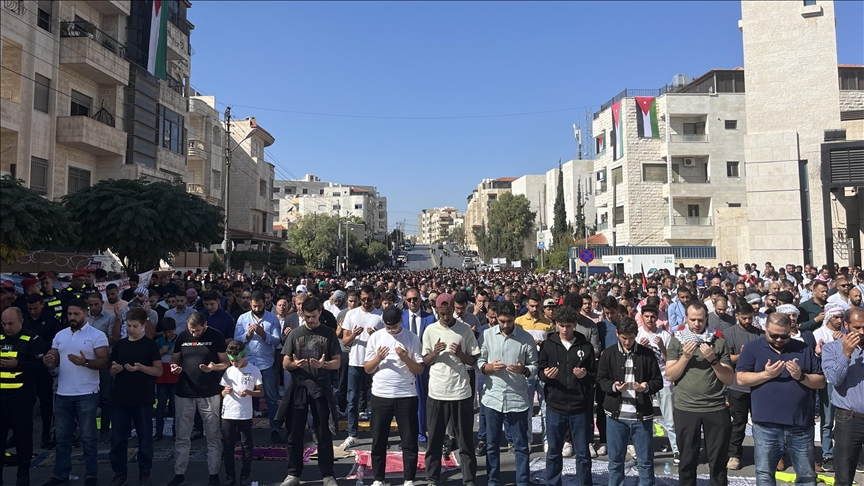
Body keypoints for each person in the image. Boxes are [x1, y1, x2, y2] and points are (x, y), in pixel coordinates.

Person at [736, 312, 825, 486]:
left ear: (790, 330)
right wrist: (766, 374)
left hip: (800, 425)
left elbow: (820, 381)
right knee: (765, 474)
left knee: (806, 475)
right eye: (774, 335)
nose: (778, 339)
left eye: (784, 336)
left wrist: (801, 376)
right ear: (765, 328)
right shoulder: (753, 348)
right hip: (766, 425)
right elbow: (741, 378)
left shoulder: (803, 348)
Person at [42, 299, 111, 486]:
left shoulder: (97, 335)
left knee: (88, 438)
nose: (72, 317)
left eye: (76, 314)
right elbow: (53, 359)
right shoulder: (60, 335)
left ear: (85, 314)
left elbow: (105, 362)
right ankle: (61, 475)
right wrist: (49, 362)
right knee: (62, 438)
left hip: (87, 392)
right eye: (69, 314)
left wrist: (86, 362)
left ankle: (91, 476)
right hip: (63, 393)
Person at [666, 301, 735, 486]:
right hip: (686, 408)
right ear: (686, 319)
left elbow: (729, 379)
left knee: (718, 460)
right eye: (693, 320)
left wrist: (713, 360)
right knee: (687, 460)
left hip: (715, 407)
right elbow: (670, 375)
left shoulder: (718, 342)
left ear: (706, 319)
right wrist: (685, 357)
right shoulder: (677, 341)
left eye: (700, 320)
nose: (697, 324)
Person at [279, 296, 341, 486]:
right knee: (294, 432)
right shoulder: (295, 334)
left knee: (323, 433)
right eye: (307, 317)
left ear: (320, 312)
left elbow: (337, 362)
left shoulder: (328, 334)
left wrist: (324, 364)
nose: (311, 320)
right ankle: (293, 474)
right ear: (301, 314)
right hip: (299, 386)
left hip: (320, 387)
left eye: (313, 316)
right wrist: (294, 364)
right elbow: (285, 362)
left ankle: (328, 475)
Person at [597, 316, 663, 486]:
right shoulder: (608, 354)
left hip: (641, 416)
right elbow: (601, 380)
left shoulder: (647, 354)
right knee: (615, 461)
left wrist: (645, 387)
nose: (627, 342)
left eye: (631, 338)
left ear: (636, 335)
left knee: (645, 461)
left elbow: (658, 381)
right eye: (624, 338)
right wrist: (614, 386)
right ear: (617, 333)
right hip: (616, 416)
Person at [422, 293, 480, 486]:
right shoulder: (430, 330)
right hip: (437, 392)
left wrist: (461, 355)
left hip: (460, 392)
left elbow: (473, 359)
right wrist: (435, 353)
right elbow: (425, 361)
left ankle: (469, 479)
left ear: (454, 309)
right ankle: (432, 478)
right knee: (435, 439)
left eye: (448, 313)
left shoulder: (465, 330)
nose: (445, 317)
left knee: (465, 440)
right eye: (442, 314)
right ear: (437, 311)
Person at [478, 301, 537, 486]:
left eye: (509, 321)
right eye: (502, 321)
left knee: (521, 446)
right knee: (492, 445)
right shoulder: (486, 335)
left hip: (517, 398)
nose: (505, 325)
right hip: (492, 397)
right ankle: (493, 481)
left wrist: (523, 370)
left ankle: (522, 482)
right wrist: (489, 367)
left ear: (515, 318)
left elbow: (534, 366)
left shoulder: (526, 338)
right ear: (496, 318)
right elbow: (478, 362)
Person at [364, 306, 425, 486]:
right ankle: (378, 478)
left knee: (409, 439)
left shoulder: (411, 338)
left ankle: (409, 479)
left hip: (406, 394)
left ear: (401, 321)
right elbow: (367, 368)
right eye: (388, 327)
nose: (391, 330)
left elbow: (419, 370)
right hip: (380, 394)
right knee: (379, 439)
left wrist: (406, 358)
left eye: (394, 326)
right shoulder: (376, 337)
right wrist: (378, 358)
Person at [168, 312, 230, 486]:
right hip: (184, 391)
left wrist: (214, 367)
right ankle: (179, 473)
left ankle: (213, 474)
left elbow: (225, 362)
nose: (194, 333)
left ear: (205, 325)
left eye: (197, 330)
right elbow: (174, 360)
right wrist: (174, 367)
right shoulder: (182, 336)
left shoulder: (216, 335)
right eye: (191, 330)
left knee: (213, 435)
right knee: (182, 435)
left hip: (209, 392)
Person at [538, 305, 596, 486]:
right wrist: (545, 375)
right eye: (561, 325)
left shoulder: (585, 346)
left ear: (574, 325)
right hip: (555, 406)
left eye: (568, 326)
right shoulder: (548, 345)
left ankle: (584, 483)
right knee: (554, 452)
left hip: (580, 407)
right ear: (556, 324)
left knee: (583, 453)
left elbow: (594, 376)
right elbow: (540, 370)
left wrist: (584, 375)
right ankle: (553, 483)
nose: (564, 330)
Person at [107, 308, 162, 486]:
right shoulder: (120, 345)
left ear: (143, 325)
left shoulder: (150, 345)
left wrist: (141, 368)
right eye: (128, 326)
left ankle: (145, 473)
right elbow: (111, 369)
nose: (131, 329)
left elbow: (158, 371)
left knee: (144, 439)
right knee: (118, 439)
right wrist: (114, 370)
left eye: (135, 326)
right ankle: (119, 473)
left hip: (143, 398)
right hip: (120, 398)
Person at [1, 306, 46, 486]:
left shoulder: (33, 340)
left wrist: (18, 364)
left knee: (23, 439)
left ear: (21, 321)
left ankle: (23, 477)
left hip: (21, 398)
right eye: (4, 324)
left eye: (11, 324)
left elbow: (40, 368)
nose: (7, 327)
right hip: (1, 398)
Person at [821, 307, 864, 486]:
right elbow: (834, 379)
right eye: (857, 327)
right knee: (844, 477)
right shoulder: (831, 349)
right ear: (846, 325)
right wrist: (846, 353)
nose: (862, 332)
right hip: (849, 420)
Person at [722, 298, 765, 470]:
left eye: (750, 318)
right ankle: (734, 454)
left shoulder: (760, 334)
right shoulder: (729, 333)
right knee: (738, 422)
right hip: (737, 385)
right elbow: (727, 359)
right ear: (737, 316)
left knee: (761, 422)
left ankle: (763, 453)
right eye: (744, 318)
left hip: (758, 385)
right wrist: (744, 355)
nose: (747, 321)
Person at [234, 290, 282, 443]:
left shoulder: (272, 319)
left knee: (271, 398)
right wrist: (247, 335)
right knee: (243, 395)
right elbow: (236, 340)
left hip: (265, 363)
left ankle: (274, 429)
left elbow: (277, 341)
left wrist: (263, 334)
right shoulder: (242, 318)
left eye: (259, 306)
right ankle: (241, 430)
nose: (256, 309)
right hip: (247, 363)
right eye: (254, 306)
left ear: (264, 303)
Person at [340, 285, 384, 449]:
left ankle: (378, 435)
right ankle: (352, 434)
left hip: (375, 362)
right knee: (352, 399)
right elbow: (345, 341)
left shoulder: (380, 316)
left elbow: (386, 340)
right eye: (363, 299)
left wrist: (375, 335)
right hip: (356, 361)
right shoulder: (351, 314)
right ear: (360, 298)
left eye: (369, 299)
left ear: (374, 298)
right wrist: (354, 334)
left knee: (377, 400)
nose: (366, 302)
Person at [637, 304, 678, 463]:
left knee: (670, 418)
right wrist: (640, 348)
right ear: (642, 317)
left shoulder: (665, 335)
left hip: (663, 380)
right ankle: (643, 449)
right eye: (646, 316)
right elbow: (633, 360)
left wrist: (661, 347)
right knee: (643, 417)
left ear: (657, 318)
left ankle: (676, 449)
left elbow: (670, 360)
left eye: (652, 317)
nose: (649, 319)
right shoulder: (638, 334)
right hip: (644, 381)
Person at [220, 340, 263, 486]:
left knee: (247, 445)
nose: (234, 363)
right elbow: (222, 392)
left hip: (244, 414)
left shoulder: (254, 370)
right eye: (231, 360)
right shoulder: (228, 371)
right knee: (228, 445)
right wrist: (225, 391)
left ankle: (245, 475)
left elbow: (260, 392)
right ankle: (230, 475)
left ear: (244, 356)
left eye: (236, 360)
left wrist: (249, 392)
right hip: (228, 413)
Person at [513, 293, 553, 450]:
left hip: (543, 368)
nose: (535, 309)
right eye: (532, 306)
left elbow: (553, 346)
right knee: (527, 407)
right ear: (527, 306)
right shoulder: (518, 322)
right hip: (526, 369)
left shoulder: (549, 324)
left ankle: (547, 439)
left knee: (546, 407)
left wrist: (544, 344)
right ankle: (527, 439)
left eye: (537, 306)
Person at [22, 293, 62, 449]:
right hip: (26, 365)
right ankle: (20, 436)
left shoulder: (51, 319)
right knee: (24, 405)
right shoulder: (23, 319)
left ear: (42, 305)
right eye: (30, 308)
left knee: (46, 404)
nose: (33, 311)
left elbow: (58, 340)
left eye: (36, 308)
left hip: (44, 366)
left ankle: (46, 434)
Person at [814, 302, 846, 472]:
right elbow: (815, 358)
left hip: (844, 381)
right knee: (827, 421)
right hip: (827, 382)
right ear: (828, 317)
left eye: (841, 317)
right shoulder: (818, 333)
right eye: (836, 317)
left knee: (843, 421)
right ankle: (827, 454)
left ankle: (844, 453)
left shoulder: (846, 333)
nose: (839, 321)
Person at [154, 317, 179, 442]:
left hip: (175, 377)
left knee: (175, 405)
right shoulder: (159, 341)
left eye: (170, 331)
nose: (168, 334)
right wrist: (160, 352)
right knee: (161, 404)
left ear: (174, 329)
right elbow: (153, 357)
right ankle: (158, 431)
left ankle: (176, 431)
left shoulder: (179, 340)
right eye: (165, 332)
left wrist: (176, 354)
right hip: (162, 377)